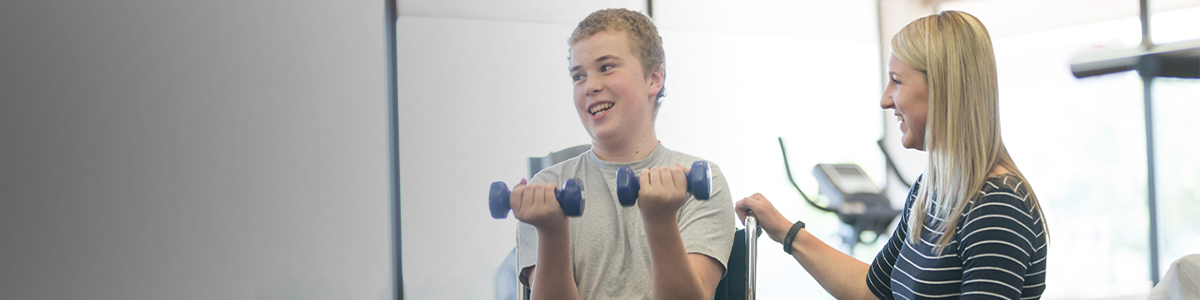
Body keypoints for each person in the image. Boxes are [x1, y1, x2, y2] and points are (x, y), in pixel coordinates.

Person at [734, 11, 1049, 300]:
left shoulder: (997, 205)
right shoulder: (929, 192)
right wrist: (784, 230)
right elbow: (871, 290)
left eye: (896, 81)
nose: (885, 100)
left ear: (943, 89)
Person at [507, 8, 735, 300]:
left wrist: (660, 219)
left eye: (606, 67)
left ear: (653, 78)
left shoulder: (702, 182)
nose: (590, 86)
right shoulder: (546, 189)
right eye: (578, 76)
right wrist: (551, 231)